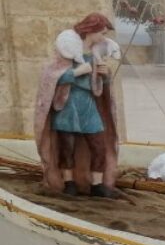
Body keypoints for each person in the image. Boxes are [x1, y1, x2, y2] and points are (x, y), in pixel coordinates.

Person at [33, 13, 121, 198]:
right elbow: (50, 78)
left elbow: (100, 86)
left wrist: (104, 77)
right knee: (67, 147)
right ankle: (69, 182)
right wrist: (76, 72)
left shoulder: (96, 54)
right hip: (68, 105)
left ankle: (97, 185)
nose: (103, 37)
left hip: (88, 105)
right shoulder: (68, 51)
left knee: (99, 145)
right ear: (91, 30)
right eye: (102, 33)